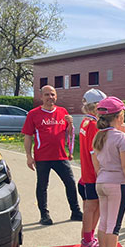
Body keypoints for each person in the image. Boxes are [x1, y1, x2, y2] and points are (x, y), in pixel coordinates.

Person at [22, 85, 82, 225]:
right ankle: (44, 215)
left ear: (56, 96)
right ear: (41, 97)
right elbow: (28, 136)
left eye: (53, 94)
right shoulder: (33, 114)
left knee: (70, 183)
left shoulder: (63, 112)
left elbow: (69, 133)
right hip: (42, 157)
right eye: (47, 95)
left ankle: (76, 211)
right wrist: (28, 156)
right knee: (42, 186)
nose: (50, 97)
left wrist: (70, 124)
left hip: (60, 156)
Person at [91, 97, 125, 247]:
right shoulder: (120, 137)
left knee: (104, 223)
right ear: (118, 117)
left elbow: (96, 162)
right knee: (113, 225)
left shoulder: (99, 136)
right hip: (117, 184)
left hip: (101, 182)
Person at [77, 88, 107, 247]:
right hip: (92, 174)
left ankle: (88, 238)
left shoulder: (85, 122)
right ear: (95, 107)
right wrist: (100, 174)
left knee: (93, 207)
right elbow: (93, 152)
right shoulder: (94, 125)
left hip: (87, 172)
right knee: (91, 206)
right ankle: (87, 240)